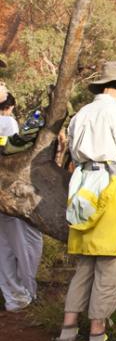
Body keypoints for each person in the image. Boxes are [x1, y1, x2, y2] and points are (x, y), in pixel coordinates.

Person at [51, 61, 116, 341]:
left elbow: (76, 154)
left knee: (85, 266)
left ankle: (66, 338)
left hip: (82, 189)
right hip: (112, 190)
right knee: (108, 266)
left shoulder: (82, 114)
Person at [0, 92, 44, 312]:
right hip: (9, 191)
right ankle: (27, 292)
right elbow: (15, 156)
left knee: (5, 247)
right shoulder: (7, 122)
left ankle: (14, 297)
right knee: (27, 242)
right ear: (9, 107)